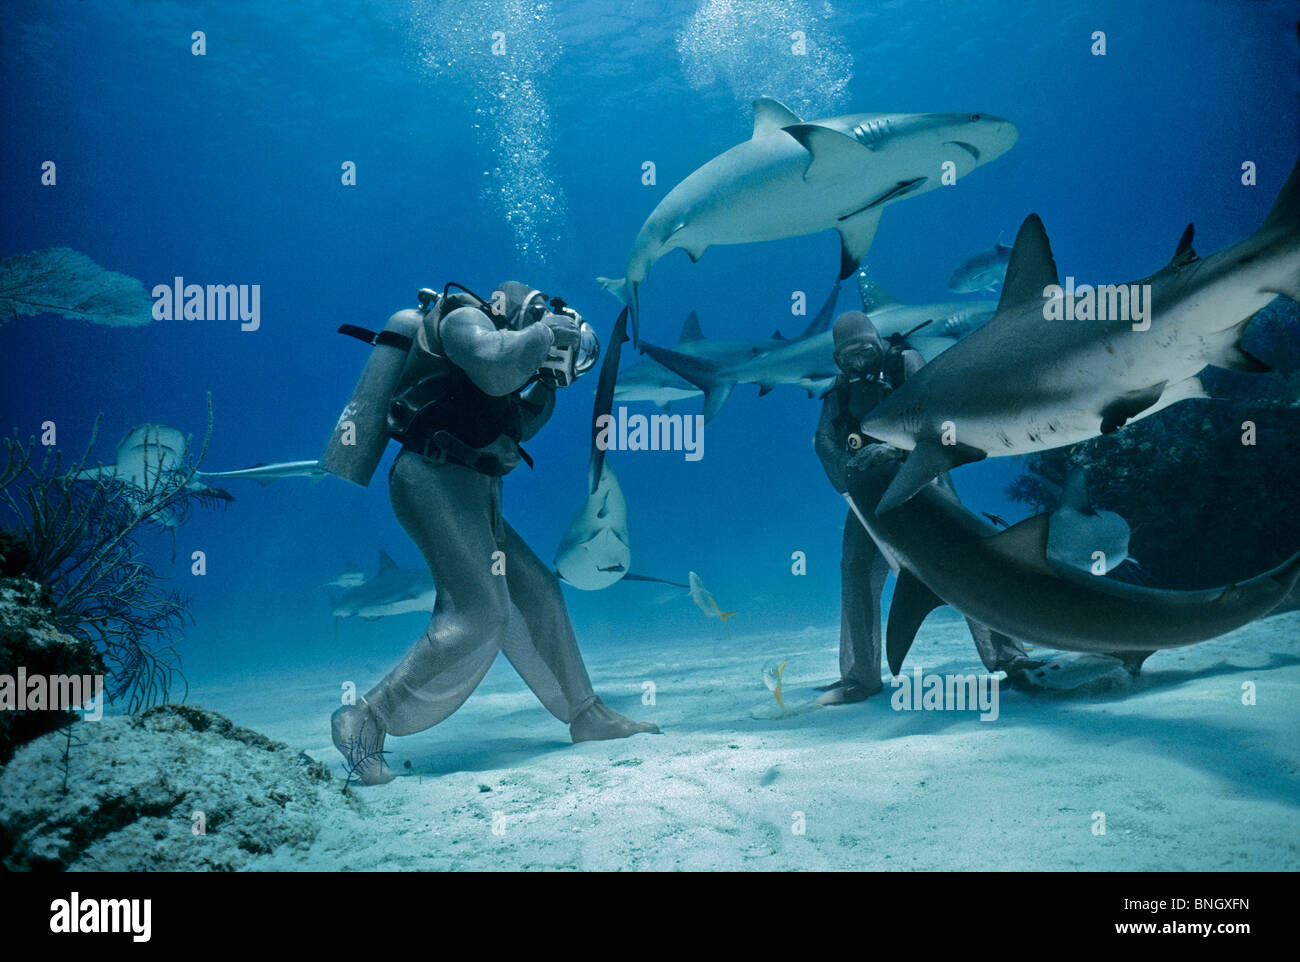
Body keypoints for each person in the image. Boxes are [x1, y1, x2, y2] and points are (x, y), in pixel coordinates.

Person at [331, 281, 658, 784]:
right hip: (431, 479)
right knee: (479, 611)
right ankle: (365, 718)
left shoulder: (506, 356)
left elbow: (517, 426)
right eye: (541, 324)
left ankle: (585, 712)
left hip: (476, 488)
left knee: (541, 594)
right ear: (521, 312)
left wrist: (548, 382)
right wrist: (548, 332)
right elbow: (491, 360)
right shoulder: (462, 318)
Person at [813, 311, 1036, 705]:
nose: (858, 362)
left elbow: (937, 417)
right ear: (837, 359)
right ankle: (860, 676)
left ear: (878, 343)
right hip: (868, 493)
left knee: (965, 563)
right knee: (855, 568)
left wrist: (895, 446)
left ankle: (1010, 656)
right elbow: (823, 440)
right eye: (847, 357)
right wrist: (846, 475)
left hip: (923, 483)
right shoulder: (841, 388)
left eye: (864, 350)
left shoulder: (904, 362)